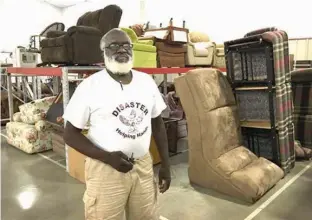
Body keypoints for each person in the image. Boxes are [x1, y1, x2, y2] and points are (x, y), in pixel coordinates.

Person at [63, 28, 171, 220]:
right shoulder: (90, 86)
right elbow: (70, 134)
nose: (122, 49)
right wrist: (107, 157)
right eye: (114, 45)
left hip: (143, 166)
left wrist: (165, 165)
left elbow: (157, 123)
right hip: (106, 169)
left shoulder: (146, 82)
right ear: (103, 51)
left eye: (126, 45)